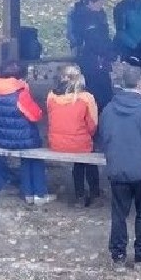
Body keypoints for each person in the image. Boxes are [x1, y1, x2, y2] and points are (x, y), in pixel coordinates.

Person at [98, 64, 141, 270]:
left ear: (122, 83)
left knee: (119, 214)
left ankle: (118, 257)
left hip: (117, 169)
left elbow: (102, 135)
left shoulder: (108, 109)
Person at [0, 61, 55, 206]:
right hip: (21, 140)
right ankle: (39, 193)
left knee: (26, 153)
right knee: (34, 154)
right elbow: (35, 115)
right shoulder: (20, 94)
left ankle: (27, 192)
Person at [47, 64, 101, 207]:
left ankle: (79, 196)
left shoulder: (51, 96)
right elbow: (93, 125)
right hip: (80, 144)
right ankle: (95, 194)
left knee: (81, 156)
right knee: (89, 157)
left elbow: (52, 118)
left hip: (56, 143)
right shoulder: (87, 97)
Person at [67, 0, 116, 112]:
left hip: (99, 60)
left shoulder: (98, 14)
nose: (102, 5)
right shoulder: (84, 18)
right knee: (97, 94)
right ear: (90, 2)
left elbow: (103, 37)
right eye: (100, 2)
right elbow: (94, 42)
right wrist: (109, 52)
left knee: (104, 92)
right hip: (92, 61)